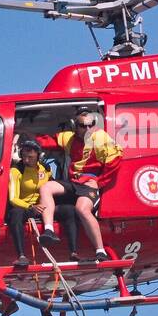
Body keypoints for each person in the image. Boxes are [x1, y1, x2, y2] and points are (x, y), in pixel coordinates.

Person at [36, 108, 124, 263]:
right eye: (83, 126)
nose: (88, 129)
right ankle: (49, 230)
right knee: (46, 188)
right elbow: (48, 140)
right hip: (74, 183)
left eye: (91, 125)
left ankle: (100, 250)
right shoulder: (69, 138)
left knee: (82, 208)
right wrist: (24, 141)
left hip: (89, 185)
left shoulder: (100, 138)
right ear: (75, 126)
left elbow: (115, 160)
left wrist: (99, 181)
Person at [6, 139, 77, 267]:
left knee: (69, 210)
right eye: (24, 156)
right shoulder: (16, 171)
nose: (27, 160)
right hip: (25, 207)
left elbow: (51, 186)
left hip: (43, 207)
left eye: (31, 157)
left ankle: (73, 252)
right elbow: (12, 199)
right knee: (15, 214)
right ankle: (21, 256)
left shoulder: (46, 168)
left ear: (39, 156)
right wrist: (30, 207)